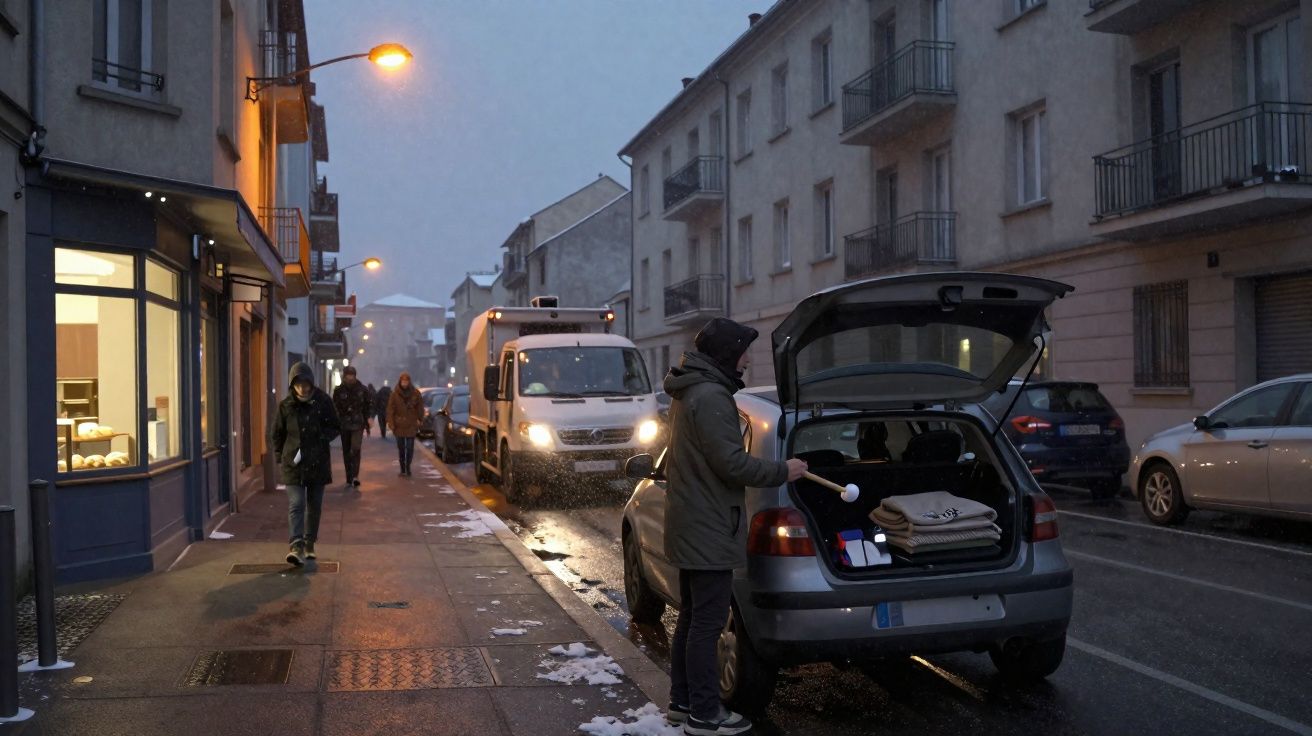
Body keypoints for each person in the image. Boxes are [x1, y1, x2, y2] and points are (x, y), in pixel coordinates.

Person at [662, 318, 807, 736]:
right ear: (727, 353)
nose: (747, 358)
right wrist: (783, 470)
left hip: (695, 520)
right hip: (709, 524)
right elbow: (731, 463)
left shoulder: (693, 389)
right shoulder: (711, 396)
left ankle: (683, 703)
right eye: (743, 350)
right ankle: (705, 714)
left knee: (693, 618)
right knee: (706, 625)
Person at [272, 362, 341, 566]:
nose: (302, 388)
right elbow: (277, 433)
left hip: (317, 461)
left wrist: (321, 437)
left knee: (314, 505)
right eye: (298, 384)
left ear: (311, 383)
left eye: (305, 384)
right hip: (293, 462)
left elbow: (335, 426)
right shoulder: (286, 406)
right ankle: (296, 545)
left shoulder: (323, 401)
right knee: (296, 503)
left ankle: (309, 543)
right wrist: (280, 456)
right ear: (292, 385)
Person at [333, 366, 372, 487]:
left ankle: (355, 476)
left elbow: (368, 406)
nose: (350, 377)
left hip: (357, 424)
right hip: (344, 424)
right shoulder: (339, 390)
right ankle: (348, 476)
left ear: (355, 376)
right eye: (348, 375)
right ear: (344, 376)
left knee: (355, 448)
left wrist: (369, 418)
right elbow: (335, 407)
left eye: (352, 375)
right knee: (346, 450)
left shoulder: (362, 389)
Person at [386, 372, 425, 476]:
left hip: (411, 424)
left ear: (409, 382)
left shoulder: (415, 393)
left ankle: (408, 466)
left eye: (406, 381)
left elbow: (420, 407)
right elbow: (390, 410)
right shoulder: (394, 394)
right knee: (401, 448)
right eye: (403, 381)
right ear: (400, 382)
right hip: (399, 425)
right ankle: (403, 468)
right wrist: (391, 423)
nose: (404, 383)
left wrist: (420, 419)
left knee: (410, 448)